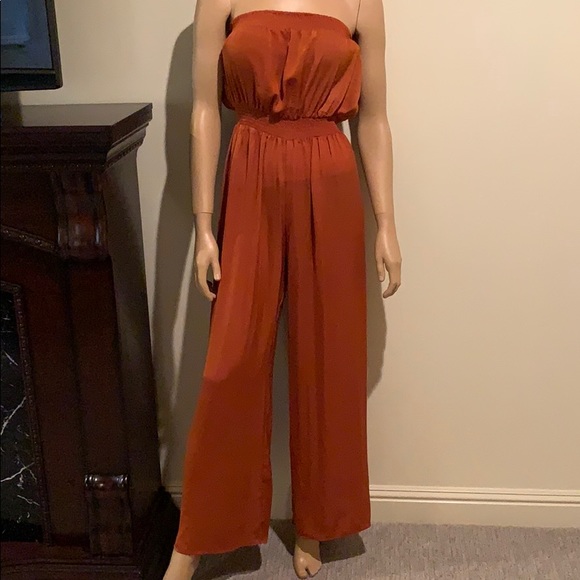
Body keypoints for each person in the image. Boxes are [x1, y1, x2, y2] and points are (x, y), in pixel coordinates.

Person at [163, 0, 401, 578]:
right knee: (230, 362)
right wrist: (203, 226)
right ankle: (198, 536)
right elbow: (203, 108)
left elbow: (373, 118)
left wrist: (387, 222)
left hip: (330, 176)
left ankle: (316, 519)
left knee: (328, 358)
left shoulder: (362, 4)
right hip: (250, 173)